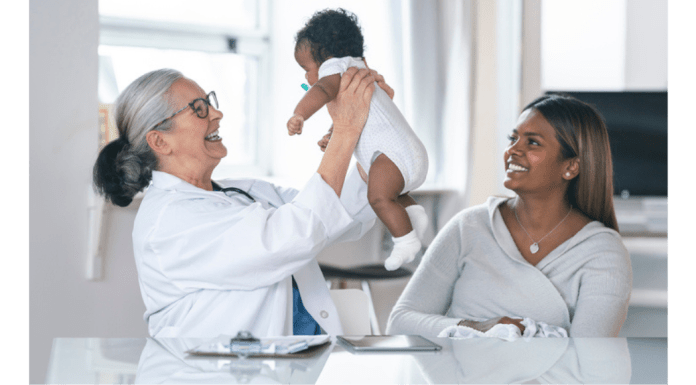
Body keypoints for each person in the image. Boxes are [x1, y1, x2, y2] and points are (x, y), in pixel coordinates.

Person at [93, 66, 385, 338]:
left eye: (210, 102)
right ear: (160, 142)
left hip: (282, 364)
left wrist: (370, 131)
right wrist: (345, 132)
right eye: (199, 109)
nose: (217, 113)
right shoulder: (169, 222)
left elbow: (336, 216)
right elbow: (294, 235)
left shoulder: (240, 191)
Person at [386, 94, 632, 338]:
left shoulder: (602, 253)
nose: (513, 150)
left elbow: (590, 360)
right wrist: (473, 327)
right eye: (513, 139)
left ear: (570, 167)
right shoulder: (469, 227)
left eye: (532, 142)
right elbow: (400, 322)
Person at [287, 8, 430, 272]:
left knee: (379, 198)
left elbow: (321, 89)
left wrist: (300, 113)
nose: (306, 78)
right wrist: (335, 135)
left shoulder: (335, 68)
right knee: (391, 192)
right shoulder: (360, 67)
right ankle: (413, 213)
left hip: (393, 156)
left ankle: (405, 241)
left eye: (306, 69)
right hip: (409, 154)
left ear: (325, 57)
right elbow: (358, 118)